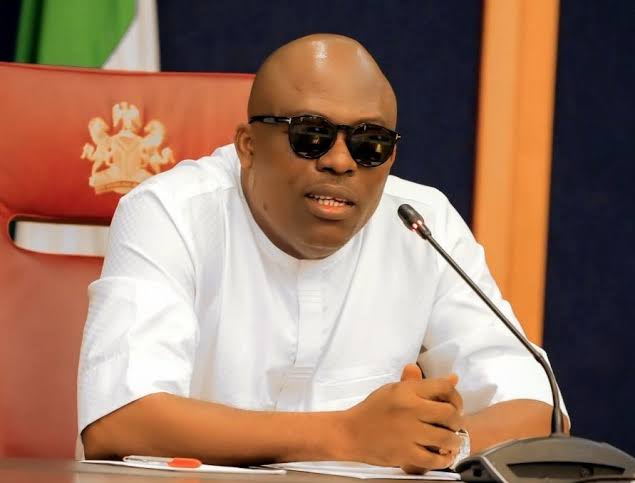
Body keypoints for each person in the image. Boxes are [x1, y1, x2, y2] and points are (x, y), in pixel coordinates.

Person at [78, 34, 568, 472]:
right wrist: (347, 435)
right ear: (248, 146)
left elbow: (539, 409)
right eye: (310, 135)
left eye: (369, 144)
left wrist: (440, 444)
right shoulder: (172, 211)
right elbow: (119, 420)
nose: (340, 161)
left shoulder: (422, 223)